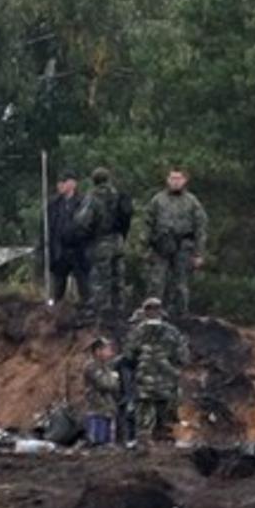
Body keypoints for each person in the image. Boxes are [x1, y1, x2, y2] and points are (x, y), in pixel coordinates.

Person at [142, 170, 207, 315]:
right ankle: (153, 315)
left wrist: (199, 253)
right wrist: (146, 247)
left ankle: (181, 315)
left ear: (185, 180)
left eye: (179, 178)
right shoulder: (158, 200)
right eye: (172, 178)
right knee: (156, 282)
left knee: (180, 285)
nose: (175, 181)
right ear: (167, 180)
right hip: (161, 246)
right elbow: (147, 224)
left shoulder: (192, 201)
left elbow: (200, 228)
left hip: (183, 246)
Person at [125, 298, 186, 442]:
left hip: (144, 380)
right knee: (164, 413)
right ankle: (163, 440)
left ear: (145, 311)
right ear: (161, 311)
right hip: (166, 380)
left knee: (144, 416)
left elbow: (129, 356)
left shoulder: (137, 332)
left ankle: (145, 443)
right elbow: (182, 356)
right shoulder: (173, 332)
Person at [85, 166, 131, 322]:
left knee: (100, 277)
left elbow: (84, 220)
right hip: (118, 240)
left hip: (101, 241)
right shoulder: (118, 194)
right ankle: (120, 310)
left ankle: (101, 312)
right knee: (118, 277)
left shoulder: (94, 197)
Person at [44, 174, 91, 307]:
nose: (60, 185)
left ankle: (87, 312)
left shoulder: (83, 202)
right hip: (60, 251)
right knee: (58, 287)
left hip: (78, 250)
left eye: (64, 182)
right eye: (59, 182)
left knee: (84, 285)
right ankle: (55, 311)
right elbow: (49, 227)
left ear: (73, 184)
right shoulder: (53, 204)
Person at [79, 336, 123, 445]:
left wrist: (114, 380)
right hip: (97, 411)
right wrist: (114, 378)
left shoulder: (106, 367)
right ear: (98, 351)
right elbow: (105, 384)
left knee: (107, 445)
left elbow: (116, 387)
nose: (110, 352)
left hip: (107, 410)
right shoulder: (92, 367)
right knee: (97, 443)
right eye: (107, 349)